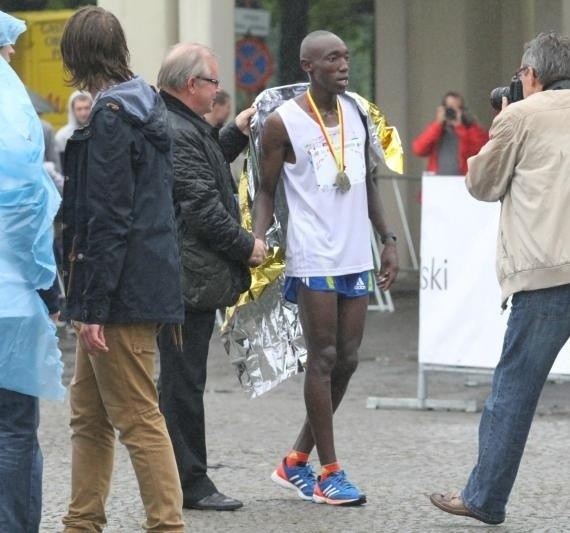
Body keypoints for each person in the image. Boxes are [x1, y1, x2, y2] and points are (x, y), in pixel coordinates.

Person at [428, 32, 570, 533]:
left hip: (549, 273)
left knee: (514, 390)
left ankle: (484, 498)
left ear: (530, 75)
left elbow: (481, 183)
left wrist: (506, 117)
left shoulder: (520, 116)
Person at [252, 30, 399, 506]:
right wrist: (258, 239)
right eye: (332, 58)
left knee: (349, 359)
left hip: (356, 254)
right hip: (313, 253)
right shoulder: (282, 123)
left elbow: (369, 181)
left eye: (346, 56)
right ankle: (329, 473)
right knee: (324, 356)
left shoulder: (357, 111)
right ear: (307, 67)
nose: (343, 65)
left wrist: (388, 239)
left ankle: (295, 460)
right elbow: (267, 190)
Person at [59, 6, 185, 532]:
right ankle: (82, 521)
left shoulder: (112, 115)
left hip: (119, 296)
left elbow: (108, 219)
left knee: (137, 418)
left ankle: (166, 526)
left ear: (78, 54)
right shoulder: (145, 103)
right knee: (88, 416)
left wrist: (91, 307)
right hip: (137, 284)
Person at [156, 42, 265, 512]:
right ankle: (189, 484)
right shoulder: (176, 131)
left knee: (183, 380)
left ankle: (182, 477)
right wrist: (248, 247)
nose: (219, 90)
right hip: (182, 279)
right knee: (181, 384)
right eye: (214, 82)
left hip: (189, 276)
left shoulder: (185, 126)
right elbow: (201, 206)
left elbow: (206, 168)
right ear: (189, 85)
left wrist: (236, 132)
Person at [0, 10, 64, 532]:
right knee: (14, 428)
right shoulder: (11, 109)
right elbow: (25, 206)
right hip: (9, 298)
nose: (14, 53)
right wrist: (47, 280)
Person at [411, 90, 488, 175]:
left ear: (462, 110)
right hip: (437, 183)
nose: (452, 112)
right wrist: (438, 124)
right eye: (449, 109)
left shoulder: (471, 129)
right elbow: (418, 149)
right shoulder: (436, 129)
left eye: (456, 109)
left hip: (462, 182)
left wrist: (460, 127)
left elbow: (480, 151)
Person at [55, 90, 92, 167]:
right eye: (79, 109)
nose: (83, 113)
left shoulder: (100, 131)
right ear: (72, 110)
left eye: (87, 108)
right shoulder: (62, 136)